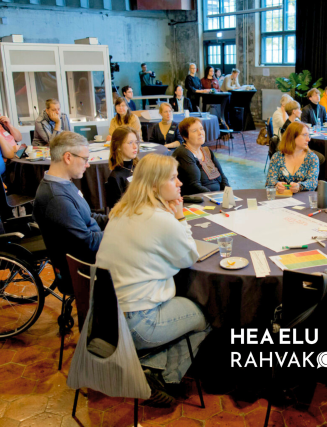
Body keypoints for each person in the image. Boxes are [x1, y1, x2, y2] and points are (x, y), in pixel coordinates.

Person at [96, 153, 209, 404]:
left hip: (106, 318)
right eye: (173, 178)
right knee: (210, 312)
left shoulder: (121, 211)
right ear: (155, 185)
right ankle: (166, 376)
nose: (180, 183)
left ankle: (149, 367)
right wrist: (179, 216)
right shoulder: (160, 219)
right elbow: (189, 256)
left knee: (180, 304)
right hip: (138, 323)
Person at [32, 131, 108, 294]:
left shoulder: (64, 183)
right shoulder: (56, 199)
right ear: (68, 157)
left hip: (92, 256)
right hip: (84, 270)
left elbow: (87, 216)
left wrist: (115, 219)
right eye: (85, 159)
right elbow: (87, 244)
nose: (87, 165)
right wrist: (121, 230)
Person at [172, 117, 229, 195]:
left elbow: (222, 176)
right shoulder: (183, 153)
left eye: (201, 129)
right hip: (199, 198)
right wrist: (214, 197)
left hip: (216, 196)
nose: (200, 133)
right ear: (185, 137)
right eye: (195, 131)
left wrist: (227, 194)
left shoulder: (206, 150)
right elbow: (194, 186)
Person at [266, 122, 319, 193]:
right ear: (292, 136)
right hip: (282, 196)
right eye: (304, 135)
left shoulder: (312, 158)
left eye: (309, 136)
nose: (308, 139)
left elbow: (313, 182)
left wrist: (299, 186)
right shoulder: (277, 157)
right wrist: (277, 184)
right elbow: (270, 180)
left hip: (303, 197)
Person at [106, 126, 140, 208]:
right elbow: (118, 210)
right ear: (118, 147)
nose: (135, 146)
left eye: (136, 142)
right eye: (130, 143)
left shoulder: (140, 167)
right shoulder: (115, 177)